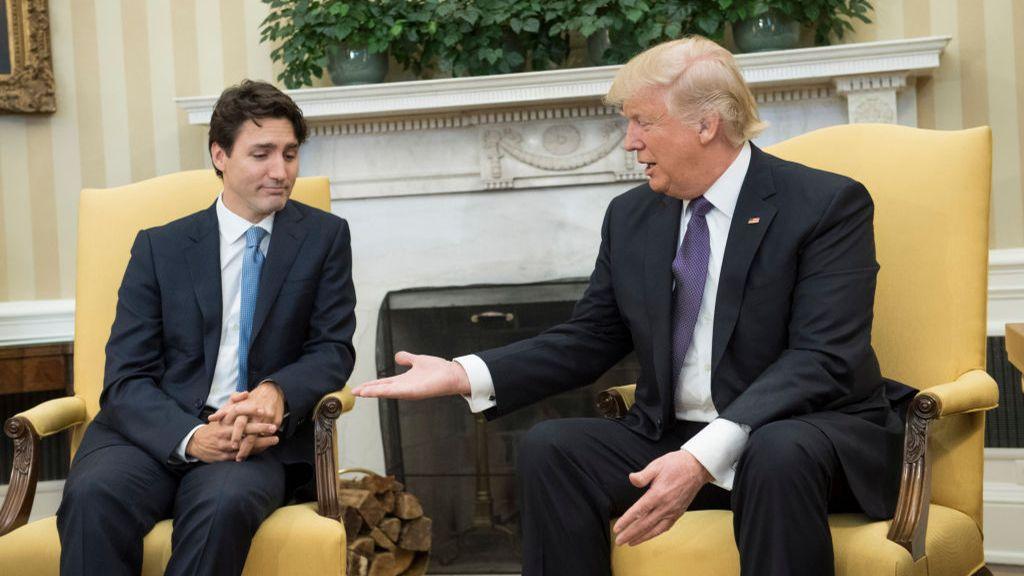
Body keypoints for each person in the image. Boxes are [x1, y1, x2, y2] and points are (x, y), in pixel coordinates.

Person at [353, 36, 912, 576]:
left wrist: (701, 457)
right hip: (674, 432)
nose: (629, 141)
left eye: (643, 121)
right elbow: (590, 337)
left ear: (706, 124)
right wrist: (461, 373)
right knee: (553, 448)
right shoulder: (633, 216)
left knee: (775, 450)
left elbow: (822, 357)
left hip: (803, 434)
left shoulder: (824, 204)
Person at [56, 80, 357, 576]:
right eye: (261, 154)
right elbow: (126, 377)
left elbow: (332, 350)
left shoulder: (324, 238)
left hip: (255, 442)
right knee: (93, 495)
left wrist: (275, 394)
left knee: (221, 507)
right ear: (220, 155)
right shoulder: (159, 248)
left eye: (289, 153)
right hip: (148, 435)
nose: (280, 172)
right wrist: (191, 436)